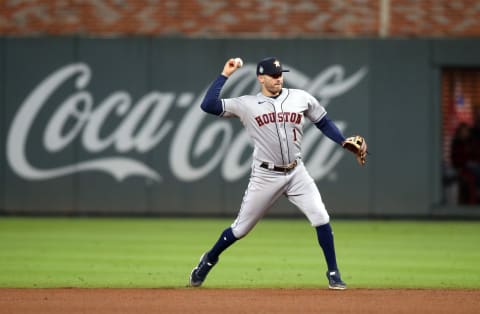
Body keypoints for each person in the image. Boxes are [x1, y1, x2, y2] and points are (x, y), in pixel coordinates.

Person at [189, 57, 367, 290]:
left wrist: (342, 141)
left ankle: (333, 272)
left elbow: (323, 121)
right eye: (273, 75)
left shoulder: (300, 98)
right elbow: (208, 105)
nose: (278, 78)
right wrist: (225, 74)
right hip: (265, 175)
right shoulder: (247, 104)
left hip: (296, 171)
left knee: (321, 217)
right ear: (260, 78)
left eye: (280, 74)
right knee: (240, 229)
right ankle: (208, 260)